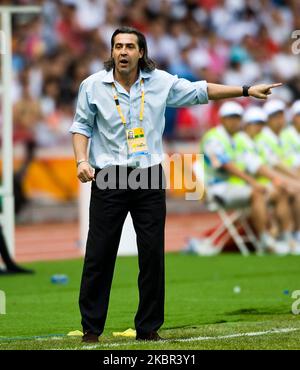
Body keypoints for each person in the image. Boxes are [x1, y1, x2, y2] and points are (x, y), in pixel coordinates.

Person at [69, 26, 282, 343]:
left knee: (152, 255)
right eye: (118, 46)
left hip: (149, 175)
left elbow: (201, 91)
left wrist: (246, 90)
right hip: (109, 176)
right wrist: (81, 161)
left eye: (130, 46)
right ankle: (91, 329)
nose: (123, 52)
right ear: (111, 52)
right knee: (99, 254)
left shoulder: (160, 82)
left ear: (142, 52)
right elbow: (80, 126)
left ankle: (148, 327)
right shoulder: (92, 85)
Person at [234, 106, 300, 254]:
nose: (259, 127)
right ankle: (270, 238)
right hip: (244, 186)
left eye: (261, 124)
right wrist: (289, 182)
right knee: (284, 191)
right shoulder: (242, 141)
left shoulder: (256, 141)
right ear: (247, 125)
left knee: (284, 191)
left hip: (258, 184)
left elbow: (271, 165)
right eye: (255, 123)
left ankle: (287, 236)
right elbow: (261, 168)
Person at [256, 100, 300, 245]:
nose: (279, 120)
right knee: (292, 190)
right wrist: (294, 180)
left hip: (277, 179)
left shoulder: (282, 137)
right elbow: (273, 166)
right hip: (265, 181)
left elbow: (289, 163)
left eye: (280, 115)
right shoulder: (263, 138)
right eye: (275, 116)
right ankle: (292, 234)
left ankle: (290, 233)